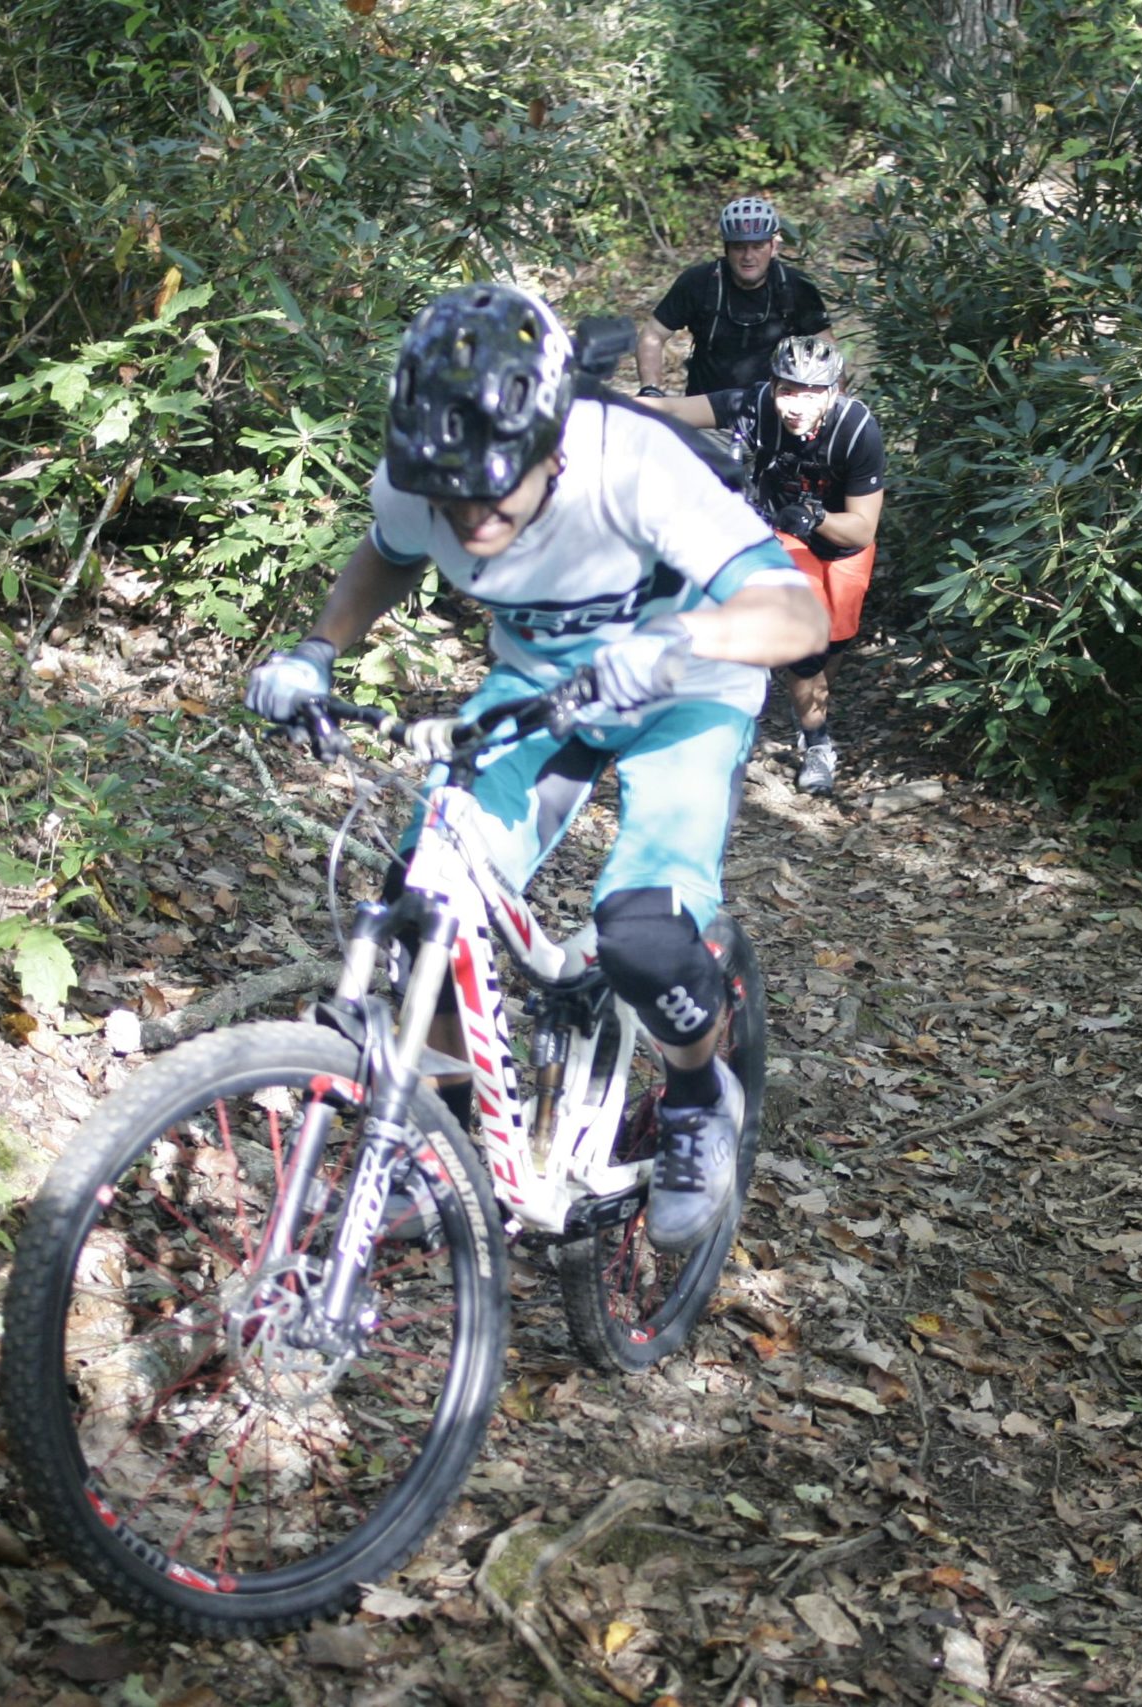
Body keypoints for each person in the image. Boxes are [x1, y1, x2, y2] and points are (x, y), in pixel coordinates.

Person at [243, 283, 828, 1251]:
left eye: (493, 486)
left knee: (641, 931)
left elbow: (798, 617)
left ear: (553, 444)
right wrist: (315, 650)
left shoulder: (631, 468)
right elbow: (388, 552)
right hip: (540, 692)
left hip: (689, 684)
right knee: (427, 900)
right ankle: (437, 1141)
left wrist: (682, 637)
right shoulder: (422, 477)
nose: (468, 514)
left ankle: (693, 1098)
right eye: (449, 489)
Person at [639, 335, 883, 797]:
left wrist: (818, 516)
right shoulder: (753, 406)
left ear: (835, 391)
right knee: (805, 645)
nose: (797, 404)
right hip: (786, 536)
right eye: (788, 390)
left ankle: (810, 706)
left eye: (811, 393)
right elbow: (672, 409)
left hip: (843, 539)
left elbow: (863, 529)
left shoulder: (856, 430)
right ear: (772, 386)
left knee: (836, 642)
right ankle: (818, 743)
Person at [638, 195, 832, 398]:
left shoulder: (795, 285)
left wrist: (836, 401)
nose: (748, 256)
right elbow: (652, 333)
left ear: (773, 247)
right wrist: (650, 389)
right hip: (705, 408)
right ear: (726, 248)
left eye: (757, 247)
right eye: (739, 247)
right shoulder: (698, 282)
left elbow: (825, 345)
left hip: (775, 410)